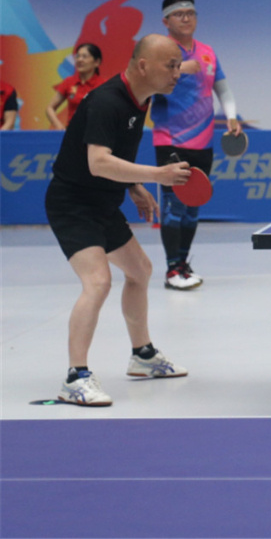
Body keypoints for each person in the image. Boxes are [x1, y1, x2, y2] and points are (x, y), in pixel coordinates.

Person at [46, 34, 194, 406]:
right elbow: (98, 162)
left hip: (102, 203)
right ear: (143, 65)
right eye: (171, 66)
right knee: (98, 282)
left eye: (179, 65)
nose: (177, 73)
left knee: (140, 270)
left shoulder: (139, 99)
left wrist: (134, 186)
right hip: (73, 204)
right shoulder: (106, 101)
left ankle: (142, 355)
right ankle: (75, 377)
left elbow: (116, 154)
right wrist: (157, 176)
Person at [150, 0, 242, 291]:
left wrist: (231, 117)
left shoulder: (207, 52)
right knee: (174, 205)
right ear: (166, 21)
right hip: (171, 140)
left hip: (204, 142)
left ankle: (182, 263)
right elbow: (145, 85)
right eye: (179, 14)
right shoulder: (158, 50)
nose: (186, 18)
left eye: (191, 13)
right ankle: (172, 269)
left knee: (193, 205)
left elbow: (222, 89)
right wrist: (176, 69)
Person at [45, 43, 105, 130]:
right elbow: (50, 108)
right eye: (77, 56)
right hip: (72, 132)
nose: (80, 60)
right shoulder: (69, 82)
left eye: (84, 57)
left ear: (97, 62)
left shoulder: (104, 85)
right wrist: (59, 126)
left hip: (95, 133)